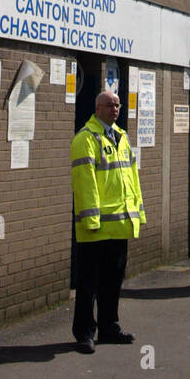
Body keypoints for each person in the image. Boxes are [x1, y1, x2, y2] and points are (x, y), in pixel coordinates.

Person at [70, 89, 145, 353]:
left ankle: (109, 327)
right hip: (97, 226)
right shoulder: (86, 138)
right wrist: (91, 219)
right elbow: (85, 182)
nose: (115, 109)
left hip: (120, 224)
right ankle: (84, 333)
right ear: (97, 108)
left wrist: (138, 212)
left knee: (113, 282)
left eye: (117, 105)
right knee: (88, 284)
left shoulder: (122, 137)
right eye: (109, 105)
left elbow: (131, 179)